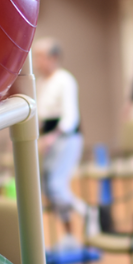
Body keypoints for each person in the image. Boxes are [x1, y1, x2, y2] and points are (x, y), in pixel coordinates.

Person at [34, 38, 99, 250]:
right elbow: (43, 115)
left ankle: (87, 212)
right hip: (49, 138)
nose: (37, 61)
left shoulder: (65, 80)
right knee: (49, 190)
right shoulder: (42, 82)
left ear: (54, 57)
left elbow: (70, 116)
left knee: (56, 187)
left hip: (67, 138)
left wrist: (53, 137)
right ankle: (69, 235)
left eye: (40, 57)